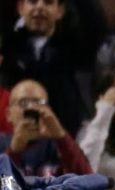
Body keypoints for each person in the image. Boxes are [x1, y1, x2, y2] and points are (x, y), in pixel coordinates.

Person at [1, 0, 103, 138]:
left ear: (60, 11)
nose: (40, 7)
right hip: (13, 139)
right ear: (20, 7)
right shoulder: (8, 48)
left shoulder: (75, 47)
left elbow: (93, 19)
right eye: (32, 1)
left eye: (48, 2)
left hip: (64, 139)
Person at [0, 80, 93, 177]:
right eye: (23, 102)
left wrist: (62, 137)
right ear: (8, 114)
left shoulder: (61, 146)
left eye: (38, 102)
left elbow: (86, 181)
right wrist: (13, 152)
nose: (31, 108)